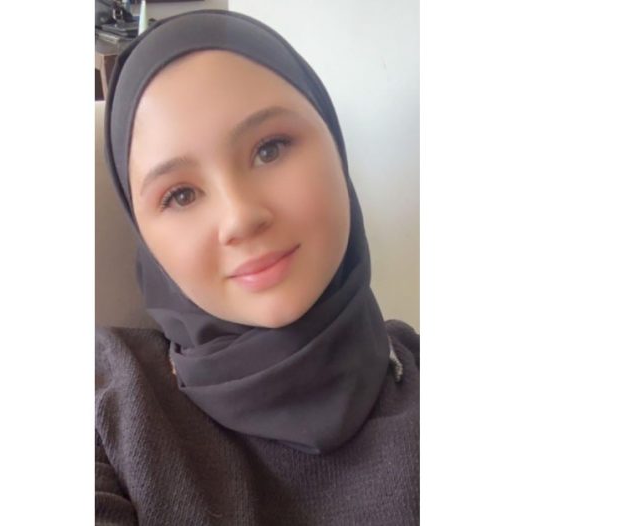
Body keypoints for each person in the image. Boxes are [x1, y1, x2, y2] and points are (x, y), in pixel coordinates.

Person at [96, 10, 419, 525]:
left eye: (270, 149)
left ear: (334, 145)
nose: (240, 218)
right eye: (181, 195)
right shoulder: (107, 404)